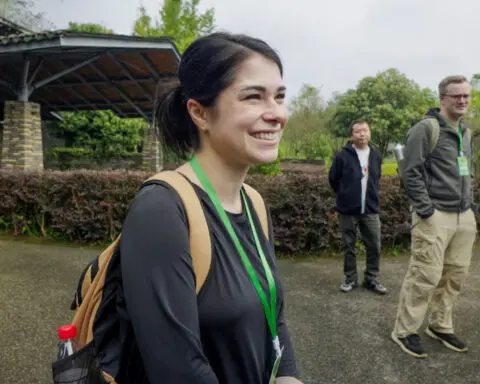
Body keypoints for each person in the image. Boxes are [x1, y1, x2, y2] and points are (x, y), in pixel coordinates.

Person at [118, 32, 302, 383]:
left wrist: (287, 376)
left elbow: (272, 316)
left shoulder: (254, 203)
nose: (277, 114)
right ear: (200, 113)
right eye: (253, 97)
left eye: (280, 97)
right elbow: (176, 370)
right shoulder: (161, 211)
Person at [391, 75, 477, 358]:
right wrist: (425, 208)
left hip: (463, 215)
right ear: (443, 98)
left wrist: (470, 205)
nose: (463, 100)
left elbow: (466, 171)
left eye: (466, 95)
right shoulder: (425, 129)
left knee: (455, 275)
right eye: (457, 96)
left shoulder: (465, 132)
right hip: (435, 213)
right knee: (425, 274)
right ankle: (405, 330)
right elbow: (410, 171)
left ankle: (440, 325)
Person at [328, 120, 387, 295]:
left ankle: (371, 279)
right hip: (348, 209)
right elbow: (333, 179)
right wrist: (345, 194)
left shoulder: (376, 155)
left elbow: (376, 179)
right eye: (358, 131)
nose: (362, 134)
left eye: (365, 130)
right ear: (351, 135)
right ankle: (350, 279)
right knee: (349, 246)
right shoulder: (342, 156)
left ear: (370, 133)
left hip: (370, 209)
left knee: (374, 245)